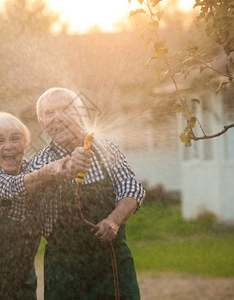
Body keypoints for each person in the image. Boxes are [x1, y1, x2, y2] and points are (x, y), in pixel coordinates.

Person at [0, 112, 91, 300]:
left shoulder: (34, 170)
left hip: (20, 281)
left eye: (15, 139)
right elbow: (15, 186)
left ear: (25, 144)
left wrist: (72, 167)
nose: (9, 146)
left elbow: (54, 179)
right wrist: (51, 172)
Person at [29, 87, 145, 299]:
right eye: (48, 113)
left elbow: (132, 189)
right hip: (65, 268)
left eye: (65, 109)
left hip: (110, 260)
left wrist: (113, 221)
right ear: (41, 123)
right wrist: (65, 169)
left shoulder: (108, 148)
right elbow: (33, 202)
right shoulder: (38, 163)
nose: (57, 118)